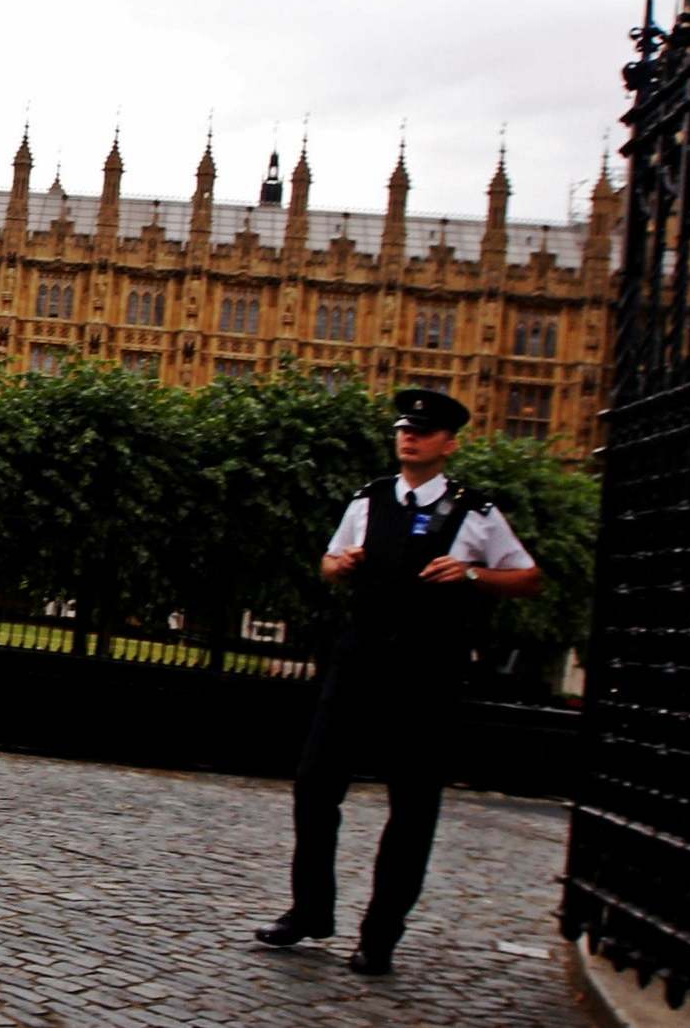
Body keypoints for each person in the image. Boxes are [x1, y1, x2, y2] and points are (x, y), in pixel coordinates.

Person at [253, 386, 542, 976]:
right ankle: (310, 909)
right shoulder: (368, 500)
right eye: (403, 429)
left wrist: (474, 574)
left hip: (427, 672)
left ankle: (381, 934)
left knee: (411, 808)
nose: (408, 436)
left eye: (423, 431)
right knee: (314, 786)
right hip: (359, 661)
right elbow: (330, 562)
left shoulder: (476, 511)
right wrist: (341, 565)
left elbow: (529, 577)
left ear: (449, 444)